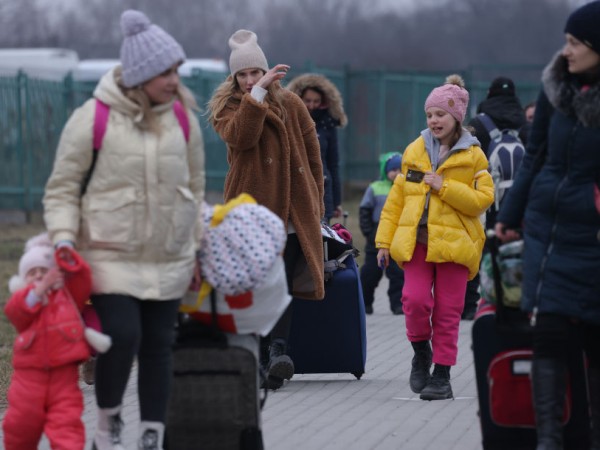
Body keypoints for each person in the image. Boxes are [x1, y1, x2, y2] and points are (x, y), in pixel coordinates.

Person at [43, 9, 205, 449]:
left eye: (176, 70)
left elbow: (194, 186)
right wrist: (61, 237)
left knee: (158, 345)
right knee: (122, 336)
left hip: (168, 256)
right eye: (163, 72)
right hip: (108, 253)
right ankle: (108, 423)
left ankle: (152, 434)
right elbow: (61, 188)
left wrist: (194, 249)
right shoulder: (93, 117)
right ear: (139, 75)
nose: (173, 80)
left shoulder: (184, 120)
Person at [494, 2, 600, 447]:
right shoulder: (555, 89)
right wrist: (510, 215)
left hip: (591, 238)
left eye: (576, 42)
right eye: (567, 41)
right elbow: (535, 157)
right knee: (548, 338)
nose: (567, 50)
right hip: (549, 234)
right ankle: (549, 440)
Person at [207, 30, 325, 391]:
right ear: (234, 78)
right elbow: (242, 138)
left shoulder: (291, 103)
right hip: (251, 207)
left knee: (284, 282)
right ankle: (258, 355)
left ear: (263, 70)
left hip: (292, 205)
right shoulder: (227, 107)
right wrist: (256, 96)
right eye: (242, 75)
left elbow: (312, 155)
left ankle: (278, 353)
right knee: (257, 282)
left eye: (254, 73)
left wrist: (316, 202)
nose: (248, 80)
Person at [376, 75, 494, 401]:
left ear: (456, 116)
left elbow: (482, 200)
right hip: (416, 243)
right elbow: (396, 201)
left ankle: (442, 375)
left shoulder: (474, 156)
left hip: (456, 246)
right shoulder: (414, 151)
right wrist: (384, 243)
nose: (433, 121)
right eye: (429, 115)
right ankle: (421, 352)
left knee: (448, 310)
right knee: (414, 301)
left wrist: (445, 187)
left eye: (440, 114)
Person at [2, 233, 92, 450]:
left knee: (67, 429)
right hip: (28, 381)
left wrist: (68, 261)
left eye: (45, 271)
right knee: (19, 429)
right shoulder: (23, 299)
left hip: (64, 379)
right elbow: (16, 313)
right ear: (25, 279)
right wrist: (40, 289)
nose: (40, 276)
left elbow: (83, 283)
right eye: (33, 273)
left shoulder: (67, 297)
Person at [461, 76, 528, 320]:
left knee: (478, 249)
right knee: (514, 247)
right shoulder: (524, 123)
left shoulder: (480, 123)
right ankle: (513, 299)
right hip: (520, 201)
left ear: (489, 94)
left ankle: (470, 305)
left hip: (485, 200)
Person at [286, 73, 347, 222]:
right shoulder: (289, 120)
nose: (311, 106)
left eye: (316, 101)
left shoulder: (328, 124)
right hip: (294, 188)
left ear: (324, 101)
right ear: (299, 97)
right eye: (307, 101)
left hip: (322, 190)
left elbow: (333, 164)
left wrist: (336, 201)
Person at [359, 151, 405, 315]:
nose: (397, 173)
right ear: (385, 170)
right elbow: (364, 211)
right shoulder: (375, 188)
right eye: (393, 169)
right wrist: (369, 233)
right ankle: (365, 303)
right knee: (369, 274)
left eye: (401, 169)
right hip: (375, 241)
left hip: (397, 240)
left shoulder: (406, 188)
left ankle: (398, 305)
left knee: (398, 275)